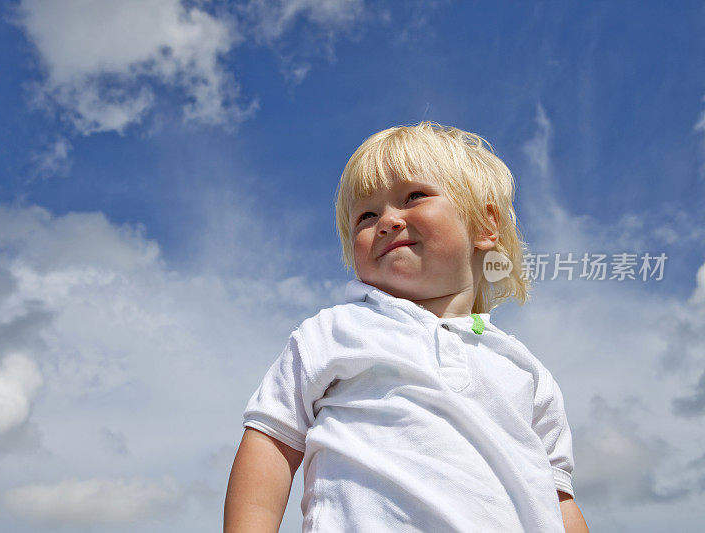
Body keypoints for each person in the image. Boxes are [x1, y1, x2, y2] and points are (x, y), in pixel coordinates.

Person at [224, 122, 589, 532]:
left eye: (414, 196)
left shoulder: (524, 371)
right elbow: (271, 441)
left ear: (487, 225)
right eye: (366, 214)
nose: (387, 220)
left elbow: (558, 500)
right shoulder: (335, 332)